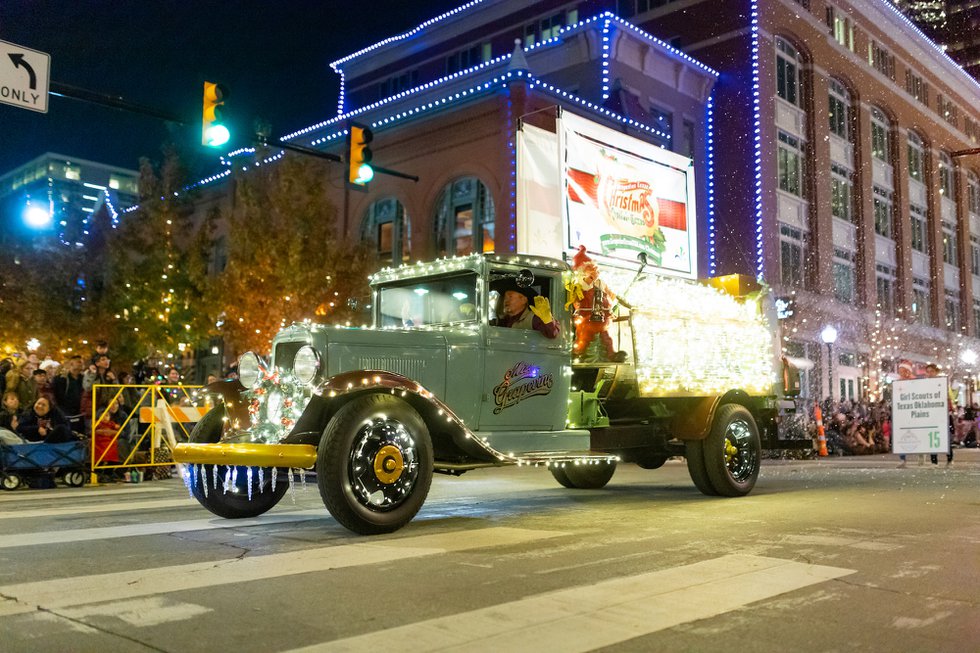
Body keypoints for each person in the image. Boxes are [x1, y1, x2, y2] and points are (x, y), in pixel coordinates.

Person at [493, 279, 559, 339]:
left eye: (510, 296)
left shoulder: (533, 318)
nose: (506, 300)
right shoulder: (504, 320)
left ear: (523, 300)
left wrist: (548, 320)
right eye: (505, 297)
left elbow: (552, 334)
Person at [54, 355, 86, 433]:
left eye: (82, 362)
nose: (82, 364)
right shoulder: (61, 379)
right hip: (66, 412)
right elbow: (58, 396)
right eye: (79, 362)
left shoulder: (84, 378)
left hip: (80, 412)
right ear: (71, 363)